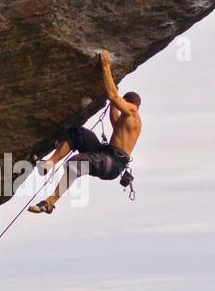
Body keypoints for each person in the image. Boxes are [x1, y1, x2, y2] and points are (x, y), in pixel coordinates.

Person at [28, 51, 142, 214]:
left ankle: (49, 202)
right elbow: (114, 114)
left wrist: (106, 67)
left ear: (130, 103)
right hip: (105, 153)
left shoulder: (132, 112)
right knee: (76, 133)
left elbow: (113, 96)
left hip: (112, 163)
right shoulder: (127, 120)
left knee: (76, 163)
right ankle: (49, 163)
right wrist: (112, 97)